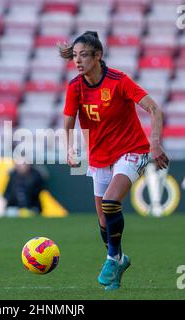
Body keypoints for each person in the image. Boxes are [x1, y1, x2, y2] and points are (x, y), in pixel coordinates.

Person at [59, 31, 169, 290]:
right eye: (74, 56)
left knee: (110, 201)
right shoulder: (75, 87)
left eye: (84, 55)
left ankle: (111, 259)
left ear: (98, 56)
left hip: (132, 150)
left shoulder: (118, 81)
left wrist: (154, 142)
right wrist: (69, 150)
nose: (77, 61)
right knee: (103, 223)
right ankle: (119, 259)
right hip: (98, 157)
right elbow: (67, 124)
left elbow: (154, 108)